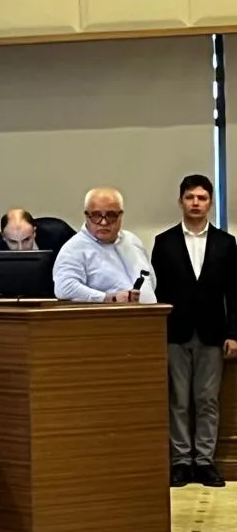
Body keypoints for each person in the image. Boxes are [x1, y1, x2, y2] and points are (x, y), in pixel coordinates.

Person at [150, 174, 236, 488]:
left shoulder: (226, 243)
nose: (196, 203)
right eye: (190, 197)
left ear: (210, 202)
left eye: (202, 198)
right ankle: (181, 462)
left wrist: (234, 333)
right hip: (175, 332)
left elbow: (234, 293)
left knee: (207, 400)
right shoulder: (164, 242)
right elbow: (156, 292)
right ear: (181, 201)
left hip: (213, 333)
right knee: (178, 400)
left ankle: (205, 462)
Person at [52, 188, 156, 304]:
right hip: (109, 314)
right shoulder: (74, 248)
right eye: (96, 215)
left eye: (111, 215)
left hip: (151, 313)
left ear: (121, 215)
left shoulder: (132, 241)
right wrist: (110, 298)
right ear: (86, 215)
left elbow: (151, 282)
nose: (103, 222)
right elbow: (64, 288)